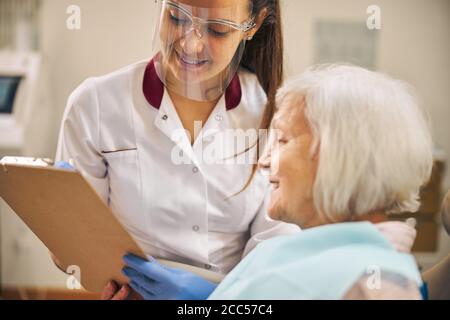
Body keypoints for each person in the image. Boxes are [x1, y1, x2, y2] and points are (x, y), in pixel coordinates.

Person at [53, 0, 301, 300]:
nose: (191, 43)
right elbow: (75, 255)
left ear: (254, 25)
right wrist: (62, 226)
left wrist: (216, 299)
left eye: (218, 30)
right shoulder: (95, 105)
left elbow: (277, 257)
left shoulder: (276, 116)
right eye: (176, 17)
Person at [123, 65, 434, 299]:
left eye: (283, 140)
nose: (264, 160)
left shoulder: (377, 285)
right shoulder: (301, 254)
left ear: (339, 157)